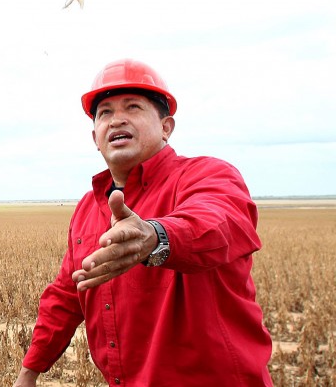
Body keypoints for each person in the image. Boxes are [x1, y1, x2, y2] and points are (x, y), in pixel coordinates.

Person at [14, 59, 273, 387]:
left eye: (133, 107)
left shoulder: (207, 175)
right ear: (95, 137)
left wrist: (155, 237)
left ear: (166, 127)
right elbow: (67, 295)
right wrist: (29, 372)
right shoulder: (88, 207)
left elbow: (219, 223)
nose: (116, 119)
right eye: (105, 112)